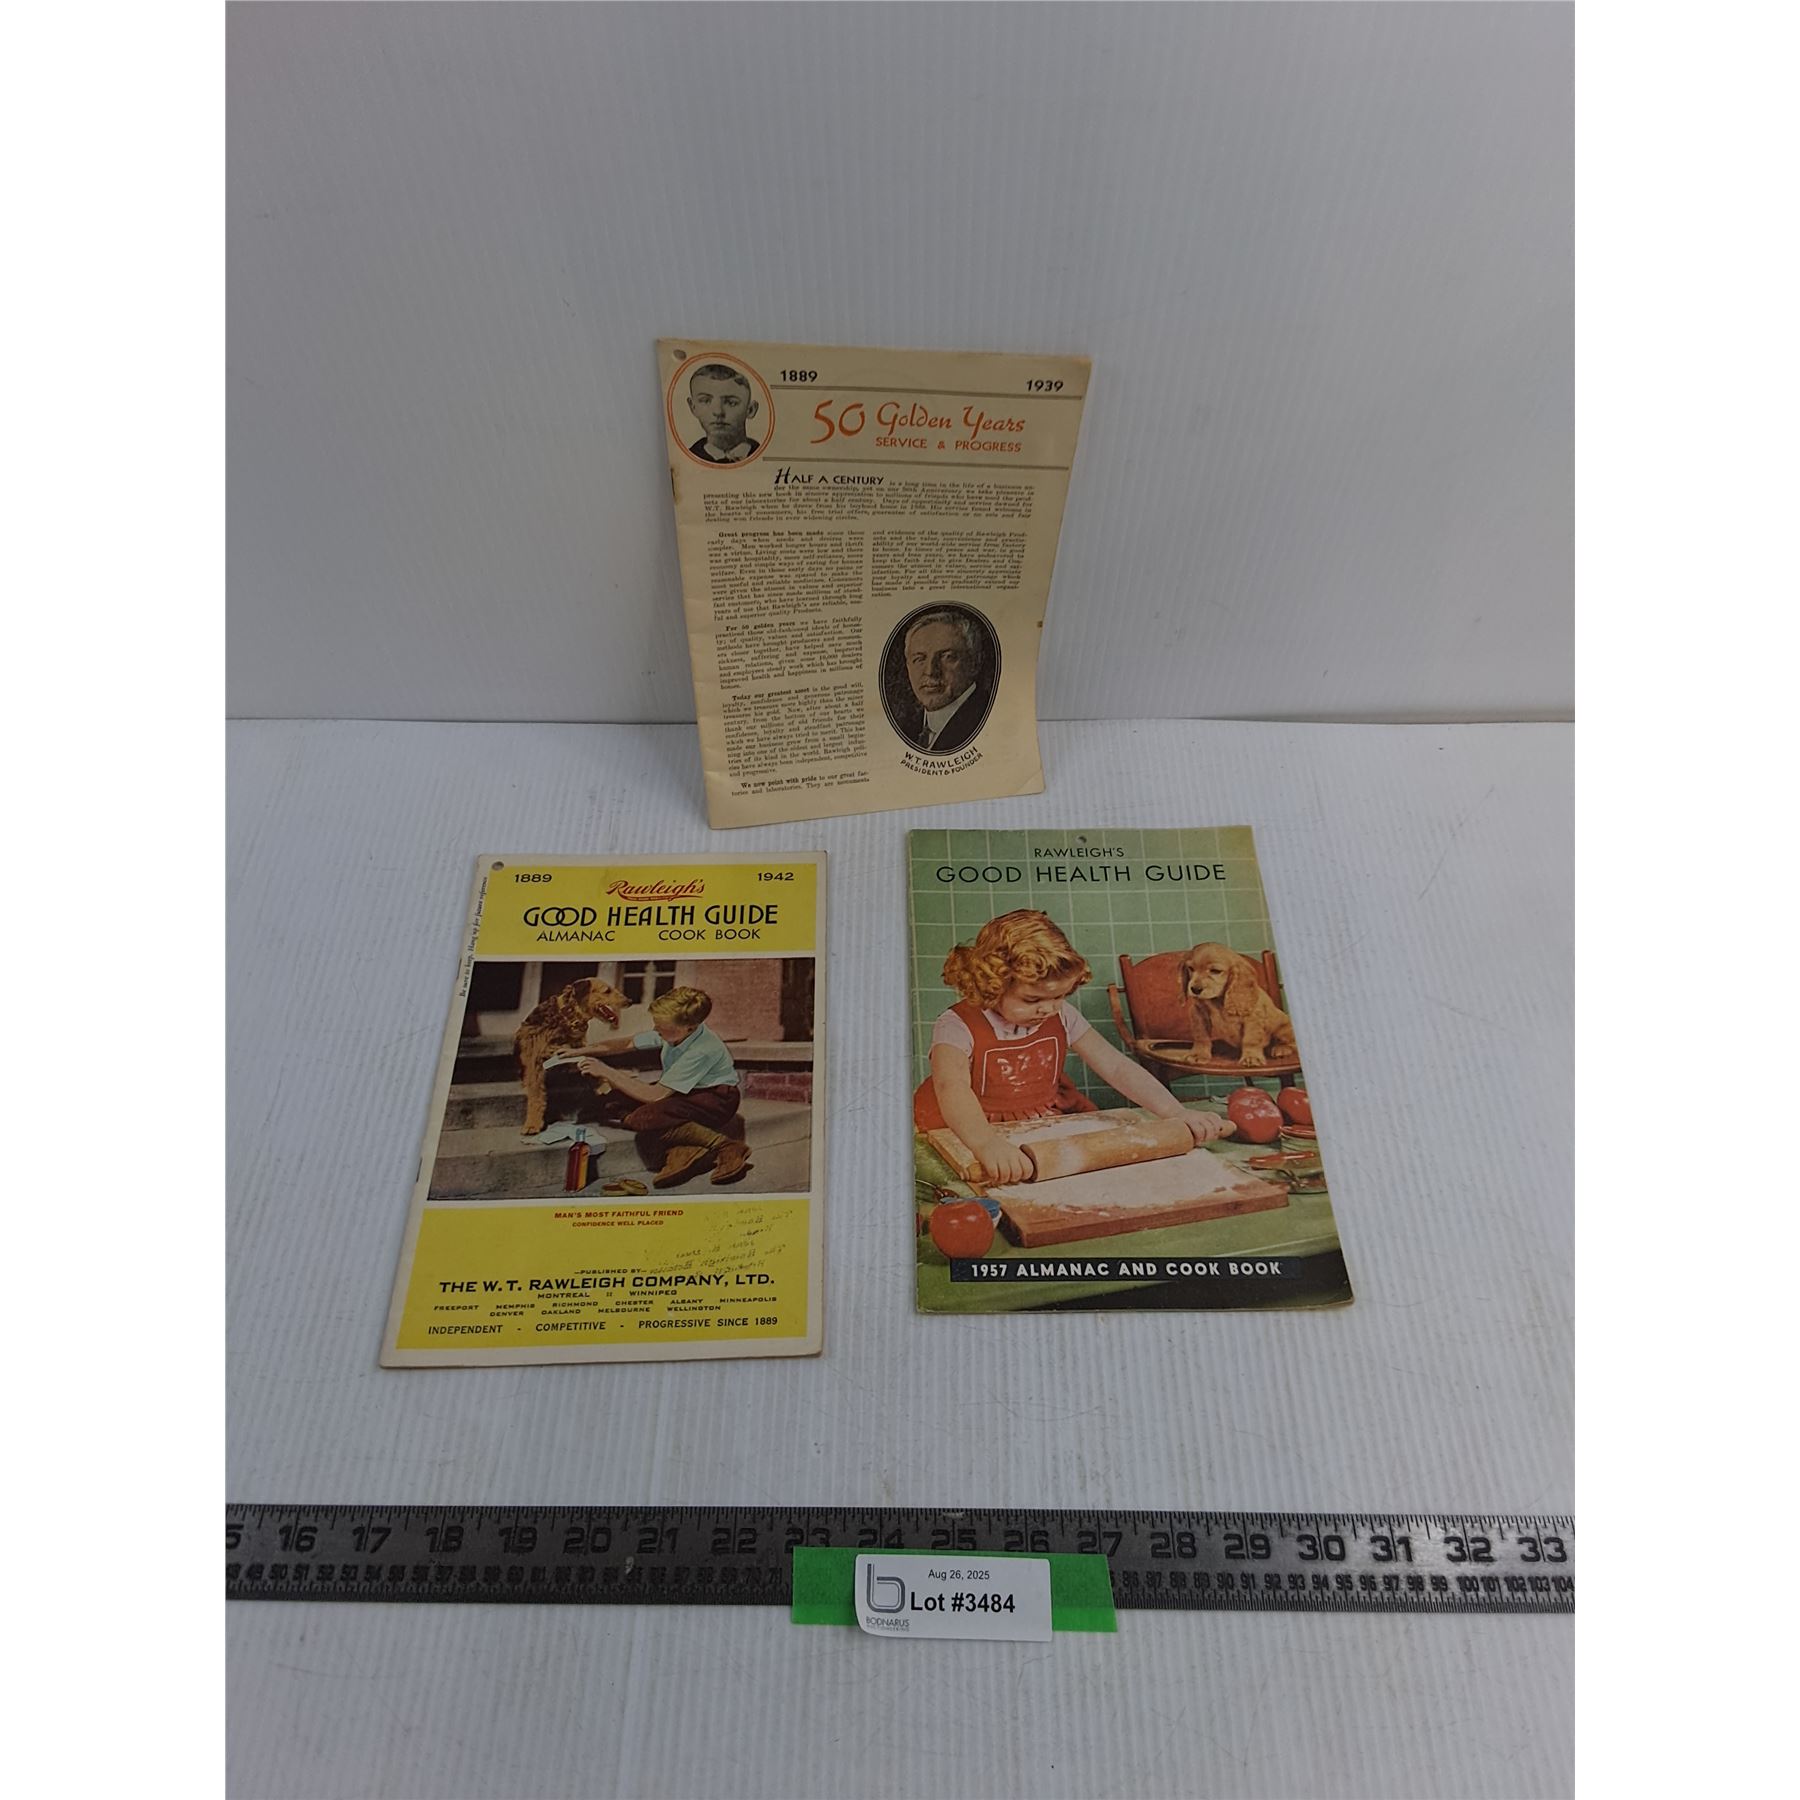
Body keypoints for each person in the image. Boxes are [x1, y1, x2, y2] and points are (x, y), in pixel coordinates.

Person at [913, 910, 1227, 1185]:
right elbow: (952, 1088)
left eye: (1059, 996)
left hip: (1042, 1119)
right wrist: (985, 1143)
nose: (1048, 1009)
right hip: (971, 1125)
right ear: (991, 985)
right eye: (1032, 999)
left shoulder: (1062, 1015)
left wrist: (1175, 1111)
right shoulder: (957, 1025)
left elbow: (1115, 1066)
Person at [576, 986, 751, 1187]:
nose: (655, 1029)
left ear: (689, 1028)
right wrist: (580, 1051)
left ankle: (725, 1146)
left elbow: (655, 1095)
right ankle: (685, 1149)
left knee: (644, 1117)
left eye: (661, 1025)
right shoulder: (674, 1031)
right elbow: (629, 1043)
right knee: (613, 1101)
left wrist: (606, 1072)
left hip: (716, 1099)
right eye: (656, 1023)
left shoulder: (702, 1049)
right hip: (685, 1092)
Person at [901, 608, 995, 753]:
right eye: (919, 659)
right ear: (908, 666)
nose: (930, 671)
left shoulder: (989, 718)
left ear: (974, 663)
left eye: (947, 657)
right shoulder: (908, 728)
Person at [684, 363, 761, 463]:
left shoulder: (766, 454)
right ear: (693, 407)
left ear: (750, 410)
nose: (718, 412)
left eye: (731, 403)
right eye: (705, 401)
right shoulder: (687, 459)